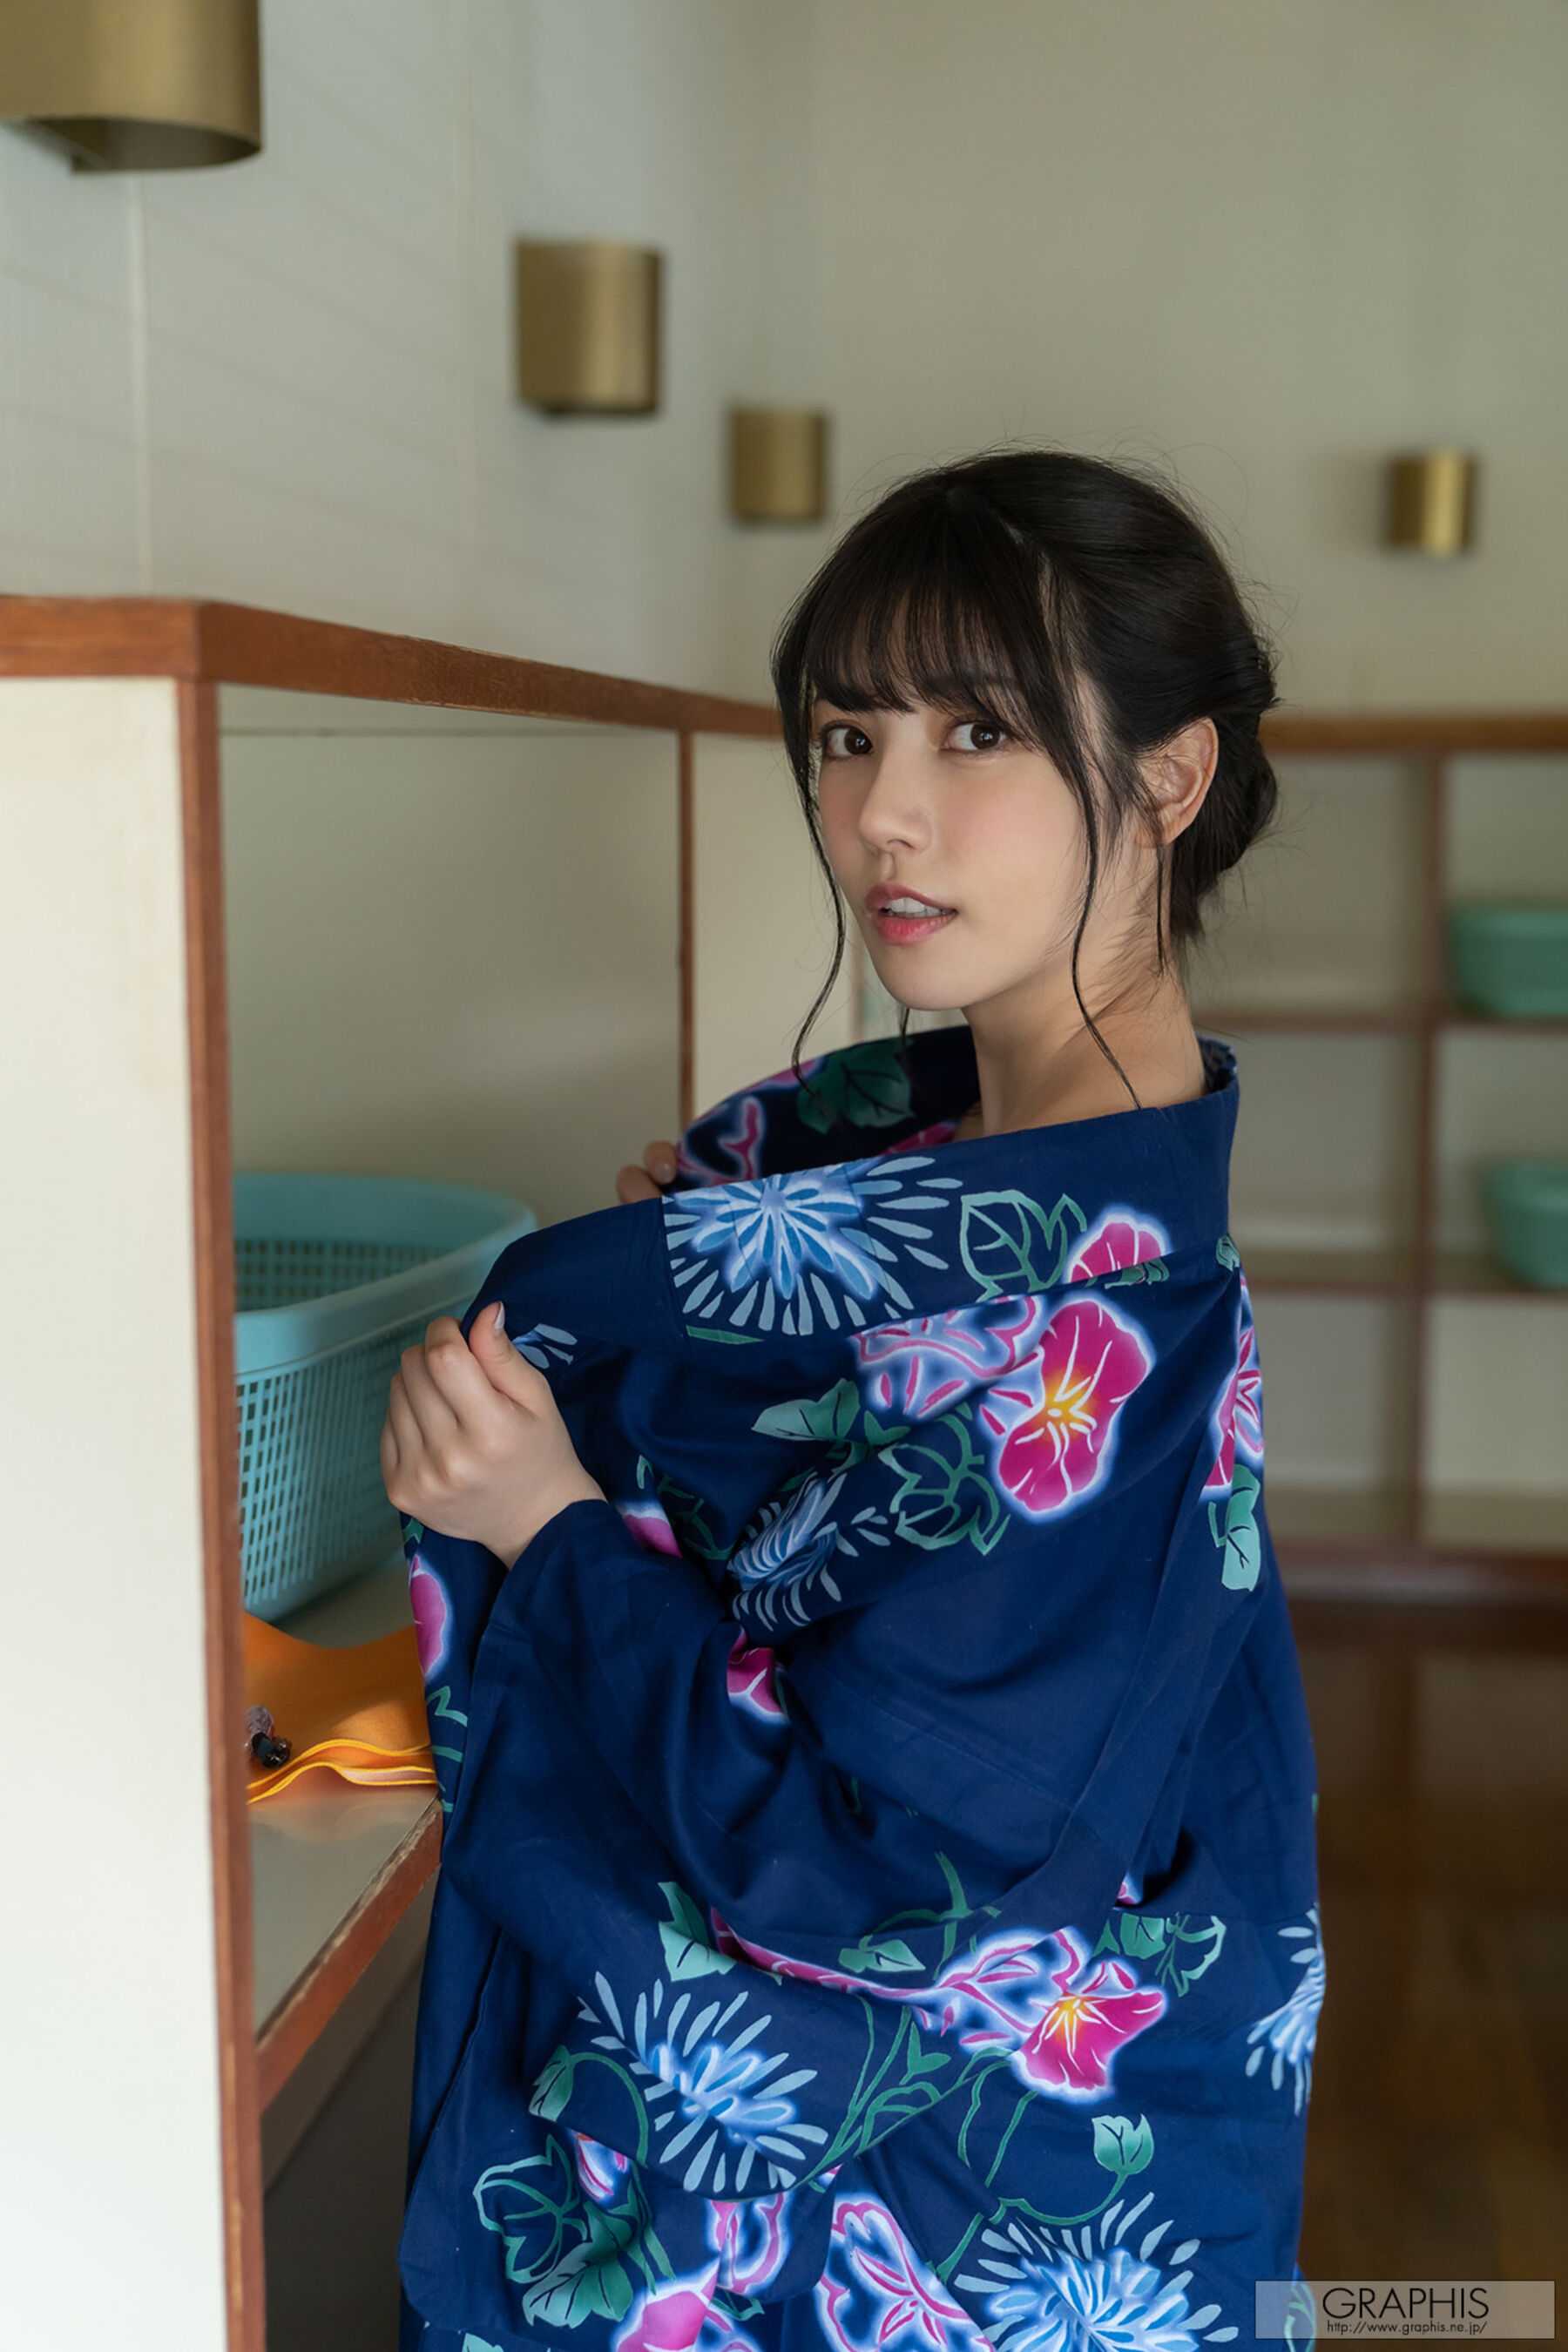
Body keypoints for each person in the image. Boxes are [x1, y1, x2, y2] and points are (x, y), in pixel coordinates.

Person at [388, 448, 1325, 2352]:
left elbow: (889, 1885)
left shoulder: (1103, 1331)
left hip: (968, 2221)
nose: (883, 813)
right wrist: (718, 1302)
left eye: (978, 731)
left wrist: (550, 1536)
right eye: (844, 736)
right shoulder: (903, 1151)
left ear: (1169, 776)